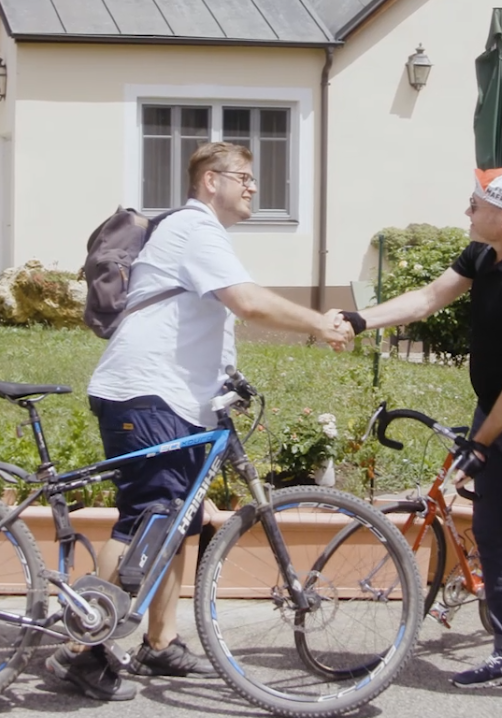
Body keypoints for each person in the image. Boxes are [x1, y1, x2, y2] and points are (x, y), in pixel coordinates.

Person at [48, 141, 355, 702]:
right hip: (147, 395)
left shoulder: (200, 235)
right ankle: (78, 648)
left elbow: (206, 319)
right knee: (146, 518)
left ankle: (160, 643)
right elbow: (247, 302)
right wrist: (319, 323)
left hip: (179, 401)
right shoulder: (196, 229)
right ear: (210, 181)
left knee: (180, 521)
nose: (254, 187)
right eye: (244, 177)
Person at [341, 168, 502, 711]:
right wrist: (361, 320)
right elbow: (428, 298)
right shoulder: (484, 256)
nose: (466, 211)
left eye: (475, 205)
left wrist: (480, 442)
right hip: (496, 411)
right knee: (492, 536)